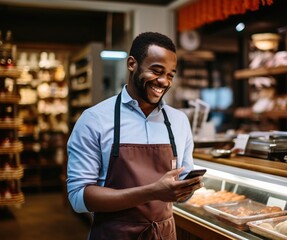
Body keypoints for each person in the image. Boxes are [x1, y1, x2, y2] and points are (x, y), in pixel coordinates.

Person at [67, 31, 203, 240]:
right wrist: (153, 191)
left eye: (170, 75)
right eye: (157, 71)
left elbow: (181, 186)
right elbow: (78, 198)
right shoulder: (94, 119)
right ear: (132, 64)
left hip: (164, 234)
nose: (164, 81)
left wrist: (186, 189)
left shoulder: (179, 121)